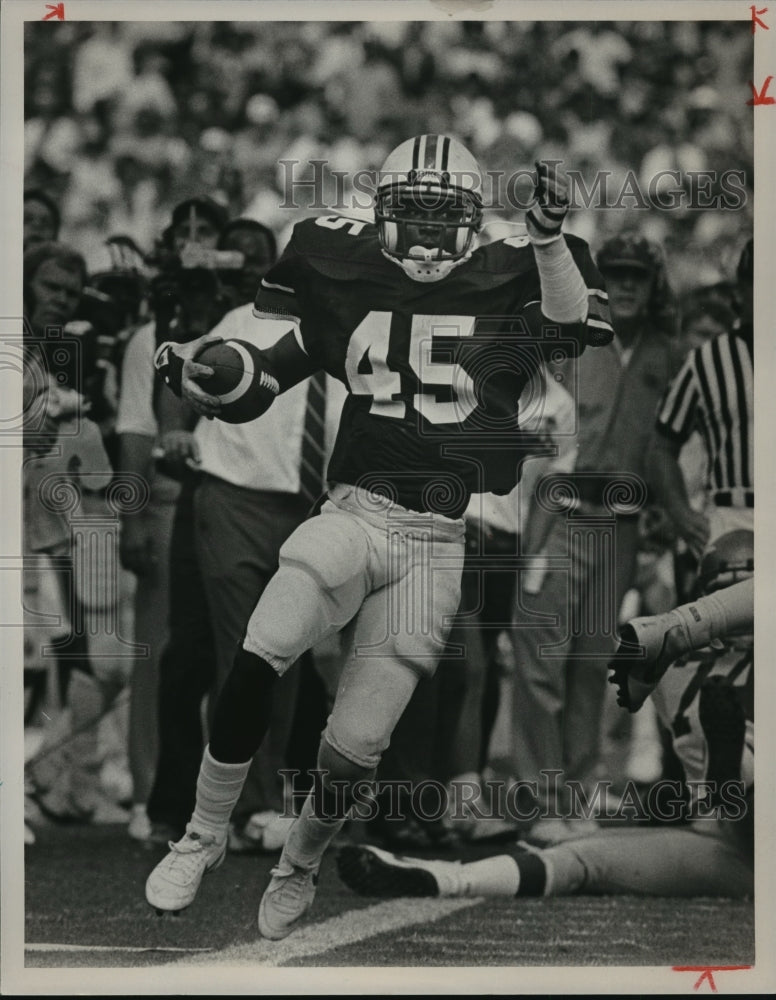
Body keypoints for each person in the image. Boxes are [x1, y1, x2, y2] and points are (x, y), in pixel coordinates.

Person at [145, 134, 613, 939]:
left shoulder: (516, 267)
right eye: (414, 216)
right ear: (381, 211)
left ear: (475, 220)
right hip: (354, 511)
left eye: (445, 219)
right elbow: (268, 375)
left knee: (355, 747)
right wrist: (211, 372)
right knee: (266, 641)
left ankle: (300, 861)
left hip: (438, 537)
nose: (430, 237)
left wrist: (543, 237)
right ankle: (202, 833)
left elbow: (571, 323)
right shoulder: (342, 266)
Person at [336, 530, 754, 901]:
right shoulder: (675, 670)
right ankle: (443, 878)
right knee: (578, 858)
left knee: (733, 779)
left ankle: (735, 772)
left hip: (737, 822)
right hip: (726, 838)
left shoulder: (673, 667)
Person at [508, 232, 683, 842]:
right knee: (539, 661)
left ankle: (578, 793)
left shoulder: (670, 351)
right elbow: (527, 415)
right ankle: (537, 799)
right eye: (616, 273)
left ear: (656, 283)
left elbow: (671, 444)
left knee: (589, 664)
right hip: (561, 509)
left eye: (639, 274)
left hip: (623, 526)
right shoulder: (570, 339)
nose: (628, 284)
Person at [648, 238, 753, 560]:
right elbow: (661, 448)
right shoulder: (710, 360)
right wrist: (683, 516)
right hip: (732, 515)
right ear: (743, 289)